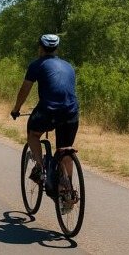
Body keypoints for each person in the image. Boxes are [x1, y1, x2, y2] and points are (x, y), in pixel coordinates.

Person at [10, 34, 79, 193]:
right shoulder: (68, 66)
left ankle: (40, 168)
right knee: (64, 149)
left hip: (48, 111)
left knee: (33, 133)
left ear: (40, 47)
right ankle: (66, 190)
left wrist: (16, 109)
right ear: (56, 48)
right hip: (71, 112)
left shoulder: (36, 65)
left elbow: (25, 90)